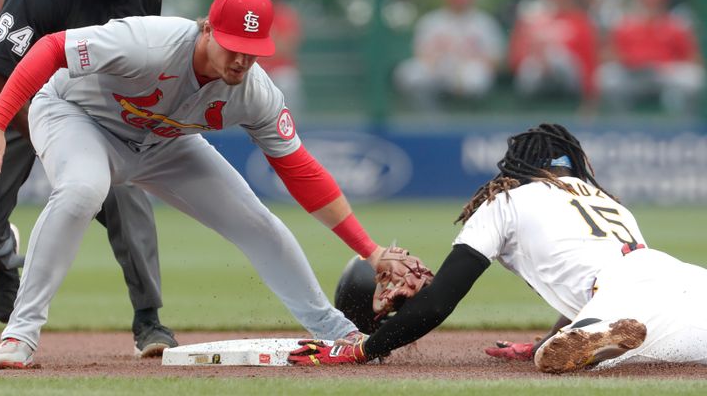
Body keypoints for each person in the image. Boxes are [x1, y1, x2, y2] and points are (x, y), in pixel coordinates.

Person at [0, 0, 429, 369]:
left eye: (253, 51)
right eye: (233, 46)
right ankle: (20, 335)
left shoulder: (255, 91)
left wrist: (369, 251)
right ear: (206, 29)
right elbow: (51, 48)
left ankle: (335, 330)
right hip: (77, 116)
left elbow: (300, 170)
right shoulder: (148, 42)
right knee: (83, 189)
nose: (241, 61)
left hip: (161, 141)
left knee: (256, 220)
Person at [0, 0, 179, 358]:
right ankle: (0, 258)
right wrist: (41, 130)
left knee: (127, 198)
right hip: (11, 109)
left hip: (95, 116)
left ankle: (149, 320)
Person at [288, 123, 707, 373]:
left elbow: (437, 304)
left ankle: (589, 337)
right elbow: (592, 277)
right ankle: (585, 334)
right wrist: (552, 333)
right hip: (679, 276)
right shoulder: (601, 196)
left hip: (619, 295)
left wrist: (362, 348)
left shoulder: (501, 201)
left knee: (554, 361)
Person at [392, 0, 504, 109]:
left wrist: (466, 64)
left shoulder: (484, 22)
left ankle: (468, 115)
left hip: (469, 68)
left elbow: (495, 59)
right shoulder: (432, 21)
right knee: (409, 73)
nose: (459, 0)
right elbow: (420, 52)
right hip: (438, 67)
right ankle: (430, 117)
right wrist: (436, 64)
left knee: (476, 77)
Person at [597, 0, 704, 116]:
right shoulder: (625, 25)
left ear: (663, 2)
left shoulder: (675, 25)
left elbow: (694, 58)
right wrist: (628, 60)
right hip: (634, 75)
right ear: (638, 0)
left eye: (655, 2)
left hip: (664, 74)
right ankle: (621, 121)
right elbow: (607, 55)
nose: (650, 6)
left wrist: (669, 65)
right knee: (606, 76)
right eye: (646, 1)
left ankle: (682, 121)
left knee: (693, 77)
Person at [508, 0, 600, 111]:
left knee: (556, 53)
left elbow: (588, 60)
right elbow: (516, 57)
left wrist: (589, 97)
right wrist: (539, 56)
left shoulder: (579, 21)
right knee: (531, 64)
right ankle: (525, 107)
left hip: (569, 82)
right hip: (537, 78)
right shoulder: (530, 20)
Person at [245, 0, 304, 115]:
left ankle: (291, 131)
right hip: (249, 69)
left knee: (287, 80)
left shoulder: (285, 13)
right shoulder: (241, 12)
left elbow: (286, 49)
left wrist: (255, 46)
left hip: (278, 70)